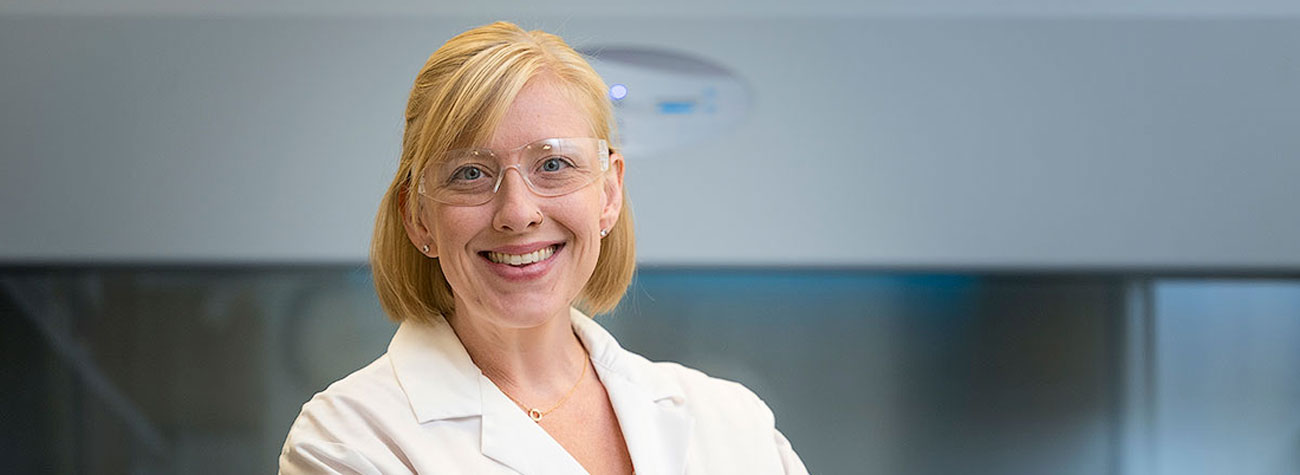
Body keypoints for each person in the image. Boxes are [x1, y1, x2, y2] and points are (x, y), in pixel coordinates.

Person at [279, 21, 808, 475]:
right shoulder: (349, 440)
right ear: (419, 219)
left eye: (553, 165)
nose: (517, 212)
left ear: (608, 193)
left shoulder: (732, 423)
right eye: (470, 173)